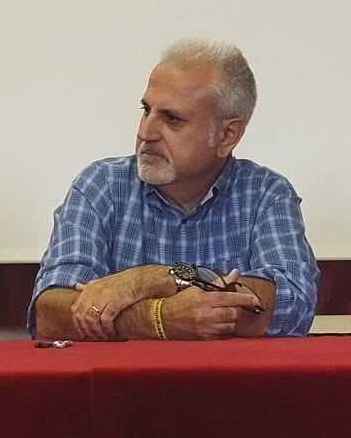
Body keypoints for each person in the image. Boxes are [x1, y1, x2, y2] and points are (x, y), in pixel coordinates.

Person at [29, 38, 319, 340]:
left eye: (172, 119)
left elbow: (293, 305)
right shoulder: (100, 186)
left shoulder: (266, 194)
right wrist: (161, 317)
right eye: (146, 110)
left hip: (230, 373)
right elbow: (49, 314)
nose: (145, 132)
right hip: (127, 373)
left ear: (226, 136)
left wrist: (151, 280)